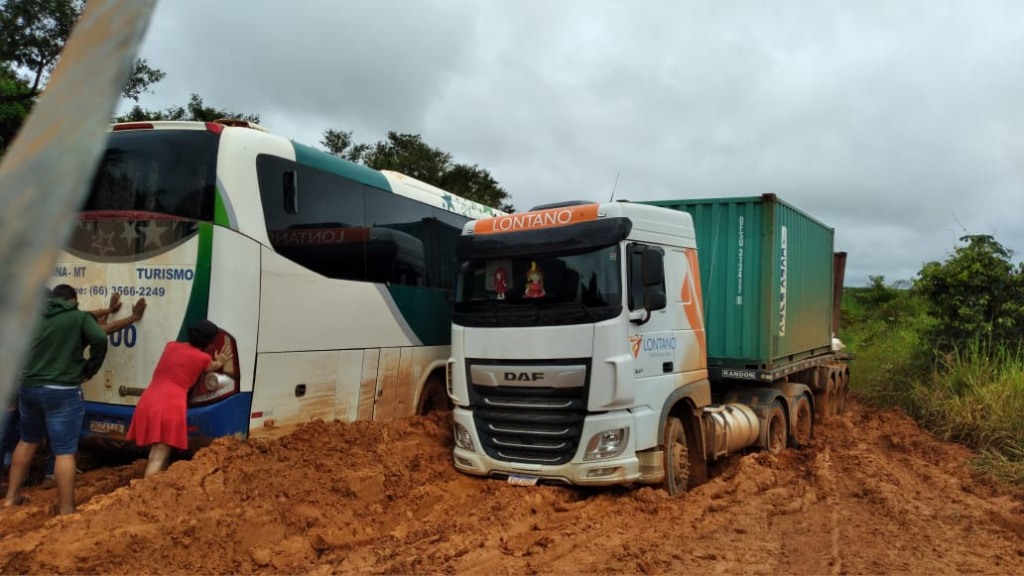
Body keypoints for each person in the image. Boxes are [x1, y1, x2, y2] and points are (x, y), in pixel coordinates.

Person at [4, 284, 108, 514]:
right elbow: (100, 337)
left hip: (29, 388)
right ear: (72, 300)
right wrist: (89, 368)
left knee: (27, 441)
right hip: (63, 391)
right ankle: (67, 508)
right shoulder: (77, 317)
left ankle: (11, 497)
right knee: (64, 451)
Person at [40, 294, 147, 487]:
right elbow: (105, 331)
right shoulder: (72, 319)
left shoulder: (41, 318)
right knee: (65, 439)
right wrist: (133, 318)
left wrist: (109, 310)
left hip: (35, 387)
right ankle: (57, 480)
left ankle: (24, 481)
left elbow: (86, 315)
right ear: (70, 302)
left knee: (32, 437)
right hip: (63, 387)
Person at [126, 320, 230, 478]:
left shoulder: (171, 346)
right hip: (170, 405)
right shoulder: (202, 359)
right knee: (158, 455)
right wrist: (221, 360)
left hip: (148, 400)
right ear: (209, 342)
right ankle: (145, 495)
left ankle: (157, 488)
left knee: (157, 450)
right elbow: (213, 367)